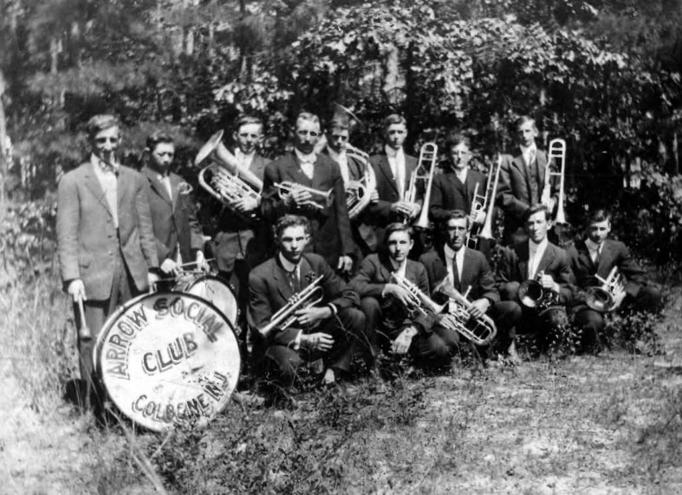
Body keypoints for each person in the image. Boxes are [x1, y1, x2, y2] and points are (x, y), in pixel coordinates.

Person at [56, 114, 159, 408]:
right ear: (91, 142)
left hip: (131, 270)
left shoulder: (134, 178)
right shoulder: (73, 181)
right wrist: (72, 277)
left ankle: (132, 403)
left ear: (120, 141)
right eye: (101, 140)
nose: (107, 146)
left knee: (134, 337)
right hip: (93, 272)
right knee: (93, 339)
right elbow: (66, 234)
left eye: (113, 139)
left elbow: (145, 227)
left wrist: (151, 268)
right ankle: (94, 405)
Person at [248, 215, 365, 388]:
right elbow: (262, 326)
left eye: (299, 239)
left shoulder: (315, 262)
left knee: (355, 316)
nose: (294, 245)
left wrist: (324, 311)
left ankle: (333, 371)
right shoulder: (259, 275)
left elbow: (350, 295)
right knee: (291, 366)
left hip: (316, 332)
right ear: (277, 240)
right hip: (283, 341)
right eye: (288, 239)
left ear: (307, 239)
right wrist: (304, 338)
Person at [350, 223, 458, 367]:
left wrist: (410, 332)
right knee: (369, 302)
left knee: (445, 345)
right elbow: (353, 287)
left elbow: (427, 310)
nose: (398, 248)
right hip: (380, 326)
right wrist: (388, 288)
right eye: (393, 243)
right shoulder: (373, 261)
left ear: (411, 244)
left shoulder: (418, 268)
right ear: (386, 244)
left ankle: (399, 359)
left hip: (407, 325)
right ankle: (374, 359)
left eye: (403, 242)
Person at [261, 112, 355, 275]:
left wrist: (347, 251)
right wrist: (287, 202)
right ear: (293, 133)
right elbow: (265, 210)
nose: (308, 138)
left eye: (313, 133)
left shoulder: (331, 166)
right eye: (303, 132)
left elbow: (341, 211)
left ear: (319, 136)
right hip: (293, 250)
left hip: (328, 249)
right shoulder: (276, 167)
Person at [419, 210, 522, 358]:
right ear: (444, 231)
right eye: (452, 228)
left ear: (467, 232)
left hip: (473, 315)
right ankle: (468, 352)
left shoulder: (478, 257)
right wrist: (438, 317)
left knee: (513, 309)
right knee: (449, 342)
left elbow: (492, 290)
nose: (456, 234)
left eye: (461, 229)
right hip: (447, 319)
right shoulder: (427, 260)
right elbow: (423, 300)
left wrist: (485, 301)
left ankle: (498, 350)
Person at [568, 209, 662, 352]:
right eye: (593, 228)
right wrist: (587, 298)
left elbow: (638, 275)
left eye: (602, 229)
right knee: (594, 323)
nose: (598, 233)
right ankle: (592, 343)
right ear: (587, 227)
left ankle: (635, 335)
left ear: (609, 228)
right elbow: (568, 285)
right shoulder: (573, 251)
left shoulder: (618, 248)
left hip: (614, 300)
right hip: (586, 304)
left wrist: (623, 294)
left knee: (652, 293)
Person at [210, 115, 271, 321]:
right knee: (225, 302)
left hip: (254, 241)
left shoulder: (269, 166)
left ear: (261, 138)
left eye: (254, 135)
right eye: (244, 134)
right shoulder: (218, 166)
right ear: (235, 136)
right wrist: (220, 190)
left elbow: (274, 201)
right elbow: (204, 209)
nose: (248, 140)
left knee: (254, 302)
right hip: (225, 241)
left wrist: (257, 202)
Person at [497, 203, 574, 354]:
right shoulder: (511, 252)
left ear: (549, 224)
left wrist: (554, 286)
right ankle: (509, 347)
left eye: (539, 222)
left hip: (544, 311)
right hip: (518, 311)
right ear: (525, 226)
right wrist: (517, 288)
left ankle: (551, 351)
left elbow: (570, 292)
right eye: (530, 223)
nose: (534, 227)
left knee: (558, 317)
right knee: (511, 288)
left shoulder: (560, 255)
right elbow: (499, 284)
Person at [140, 131, 206, 281]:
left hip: (184, 263)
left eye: (170, 155)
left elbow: (192, 222)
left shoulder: (179, 182)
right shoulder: (138, 182)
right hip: (153, 266)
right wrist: (161, 258)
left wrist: (198, 250)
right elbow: (137, 229)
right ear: (148, 154)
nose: (167, 160)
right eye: (161, 154)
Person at [321, 112, 378, 257]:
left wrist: (370, 195)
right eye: (335, 137)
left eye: (344, 138)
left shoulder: (356, 162)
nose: (340, 142)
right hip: (331, 232)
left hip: (360, 233)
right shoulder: (318, 161)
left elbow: (364, 189)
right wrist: (341, 190)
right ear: (327, 135)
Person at [497, 116, 556, 245]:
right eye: (520, 132)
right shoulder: (507, 159)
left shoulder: (547, 157)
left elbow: (557, 190)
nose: (524, 135)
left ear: (536, 132)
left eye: (528, 131)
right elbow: (503, 195)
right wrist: (529, 212)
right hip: (518, 230)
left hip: (545, 229)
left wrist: (553, 201)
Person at [366, 114, 421, 250]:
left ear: (406, 133)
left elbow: (422, 195)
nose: (396, 136)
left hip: (410, 231)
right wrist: (391, 207)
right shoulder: (372, 162)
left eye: (400, 132)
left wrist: (417, 207)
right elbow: (367, 202)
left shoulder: (414, 163)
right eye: (392, 132)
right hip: (383, 232)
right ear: (385, 133)